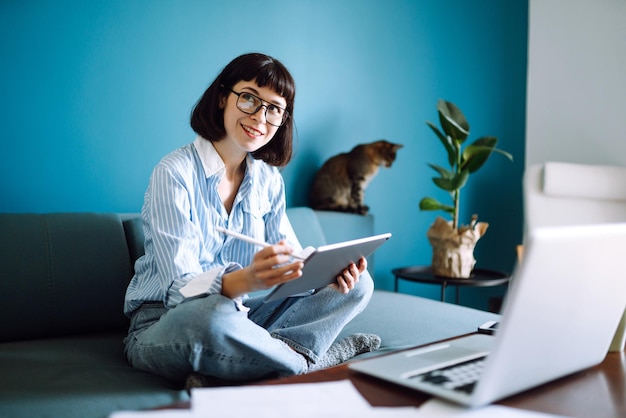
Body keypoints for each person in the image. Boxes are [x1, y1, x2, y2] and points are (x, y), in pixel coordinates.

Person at [123, 53, 380, 388]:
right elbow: (180, 290)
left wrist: (326, 273)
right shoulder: (174, 173)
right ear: (221, 98)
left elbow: (292, 265)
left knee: (360, 285)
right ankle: (308, 361)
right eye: (249, 98)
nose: (260, 116)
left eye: (274, 108)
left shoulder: (268, 180)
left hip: (248, 320)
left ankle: (233, 368)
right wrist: (245, 280)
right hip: (168, 321)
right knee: (210, 318)